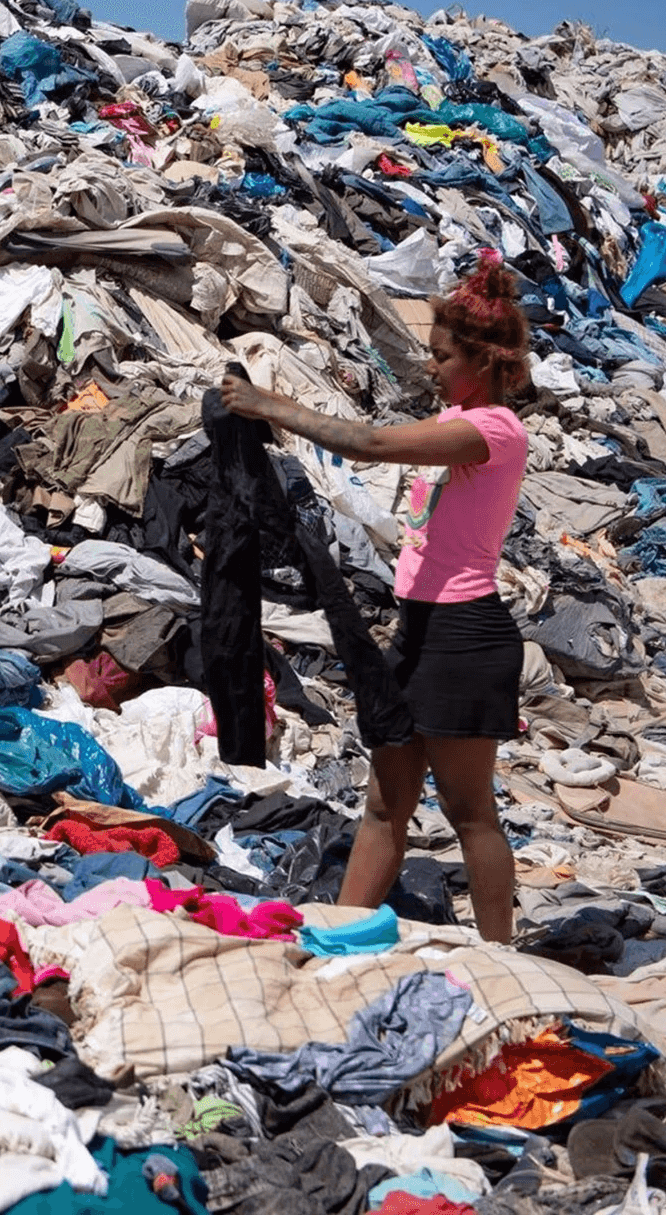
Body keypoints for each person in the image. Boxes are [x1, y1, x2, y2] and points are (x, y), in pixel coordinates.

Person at [220, 250, 530, 942]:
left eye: (444, 356)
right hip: (417, 632)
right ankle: (335, 936)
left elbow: (368, 442)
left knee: (469, 809)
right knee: (386, 804)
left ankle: (502, 955)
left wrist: (269, 405)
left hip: (465, 637)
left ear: (483, 362)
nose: (432, 366)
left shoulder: (493, 431)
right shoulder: (461, 421)